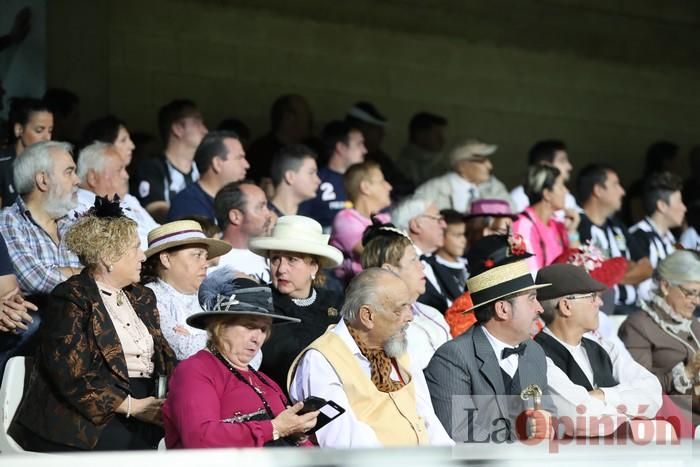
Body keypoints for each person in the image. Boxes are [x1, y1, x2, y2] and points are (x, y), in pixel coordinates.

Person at [9, 196, 177, 451]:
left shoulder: (142, 297)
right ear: (109, 256)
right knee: (131, 447)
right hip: (86, 414)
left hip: (147, 400)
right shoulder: (71, 297)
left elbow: (165, 356)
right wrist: (133, 406)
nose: (143, 256)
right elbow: (71, 376)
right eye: (135, 248)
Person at [288, 268, 453, 447]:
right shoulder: (321, 360)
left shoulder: (397, 347)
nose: (410, 317)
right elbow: (345, 442)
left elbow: (428, 419)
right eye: (399, 309)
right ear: (367, 316)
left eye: (409, 306)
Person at [162, 276, 318, 448]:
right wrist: (275, 428)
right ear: (220, 326)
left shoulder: (265, 381)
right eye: (250, 326)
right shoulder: (194, 370)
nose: (257, 338)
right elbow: (200, 438)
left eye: (264, 329)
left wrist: (297, 435)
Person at [424, 238, 553, 442]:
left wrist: (546, 426)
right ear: (502, 309)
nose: (540, 308)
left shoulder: (534, 351)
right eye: (531, 298)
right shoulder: (452, 359)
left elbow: (547, 415)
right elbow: (461, 434)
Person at [534, 264, 662, 436]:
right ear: (566, 306)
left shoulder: (604, 347)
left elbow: (653, 391)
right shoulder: (537, 356)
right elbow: (579, 416)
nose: (600, 302)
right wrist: (627, 406)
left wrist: (602, 395)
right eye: (592, 297)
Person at [249, 215, 344, 389]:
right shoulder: (260, 303)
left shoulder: (336, 302)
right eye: (276, 259)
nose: (281, 269)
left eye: (292, 260)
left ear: (313, 267)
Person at [619, 250, 700, 426]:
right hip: (673, 421)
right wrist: (687, 372)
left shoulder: (692, 323)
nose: (697, 301)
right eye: (690, 293)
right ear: (665, 286)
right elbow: (638, 388)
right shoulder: (638, 325)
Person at [360, 221, 451, 370]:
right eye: (413, 260)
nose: (422, 266)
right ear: (389, 271)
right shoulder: (377, 326)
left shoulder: (432, 313)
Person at [0, 141, 82, 298]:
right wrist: (90, 274)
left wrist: (62, 272)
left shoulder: (71, 221)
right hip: (41, 321)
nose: (77, 180)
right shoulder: (9, 221)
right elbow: (36, 279)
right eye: (69, 172)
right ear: (43, 180)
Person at [141, 220, 231, 361]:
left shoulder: (211, 299)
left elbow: (254, 355)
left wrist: (195, 337)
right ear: (166, 259)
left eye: (206, 257)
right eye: (197, 255)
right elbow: (182, 349)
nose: (205, 264)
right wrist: (224, 337)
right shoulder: (149, 298)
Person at [576, 164, 652, 311]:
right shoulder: (579, 225)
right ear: (598, 190)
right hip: (604, 312)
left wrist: (612, 274)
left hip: (633, 309)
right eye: (616, 185)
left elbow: (647, 268)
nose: (623, 192)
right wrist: (627, 266)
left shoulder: (617, 225)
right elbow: (592, 274)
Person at [131, 99, 208, 221]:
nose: (205, 130)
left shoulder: (204, 170)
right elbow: (156, 210)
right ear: (178, 128)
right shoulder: (152, 168)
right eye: (197, 122)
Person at [72, 142, 159, 249]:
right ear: (93, 178)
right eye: (119, 170)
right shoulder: (79, 207)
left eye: (125, 169)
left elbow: (158, 232)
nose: (126, 176)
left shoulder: (128, 199)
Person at [298, 120, 367, 233]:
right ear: (341, 148)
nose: (365, 150)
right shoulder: (315, 181)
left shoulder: (366, 182)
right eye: (359, 144)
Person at [330, 160, 392, 282]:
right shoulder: (345, 220)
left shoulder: (384, 219)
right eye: (381, 182)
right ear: (365, 188)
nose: (389, 186)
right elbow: (377, 254)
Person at [168, 130, 249, 222]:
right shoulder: (187, 205)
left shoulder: (243, 197)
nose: (247, 165)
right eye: (239, 158)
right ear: (217, 163)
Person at [628, 172, 686, 301]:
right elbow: (642, 287)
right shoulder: (638, 237)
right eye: (680, 202)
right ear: (662, 206)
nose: (684, 208)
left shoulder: (671, 240)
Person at [512, 164, 580, 272]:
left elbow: (578, 266)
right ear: (547, 194)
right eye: (562, 186)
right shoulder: (522, 225)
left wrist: (572, 231)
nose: (566, 191)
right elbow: (530, 274)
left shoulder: (557, 226)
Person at [415, 138, 512, 213]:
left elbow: (511, 214)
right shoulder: (432, 190)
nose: (490, 166)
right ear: (461, 166)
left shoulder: (495, 187)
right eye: (481, 161)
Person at [345, 101, 414, 200]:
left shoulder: (380, 157)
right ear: (363, 129)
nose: (382, 134)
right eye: (377, 129)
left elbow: (400, 184)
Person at [391, 197, 449, 313]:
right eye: (437, 219)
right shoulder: (398, 268)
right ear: (416, 225)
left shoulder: (435, 261)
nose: (444, 225)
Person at [210, 181, 273, 282]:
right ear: (235, 217)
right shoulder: (211, 262)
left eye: (266, 207)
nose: (269, 215)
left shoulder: (275, 252)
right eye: (260, 207)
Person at [247, 94, 313, 184]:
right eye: (305, 115)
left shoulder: (311, 148)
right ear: (288, 118)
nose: (309, 121)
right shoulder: (261, 151)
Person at [0, 97, 53, 207]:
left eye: (50, 130)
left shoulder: (49, 164)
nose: (47, 137)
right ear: (19, 129)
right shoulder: (2, 164)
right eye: (39, 130)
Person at [510, 140, 577, 214]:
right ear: (544, 166)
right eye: (562, 161)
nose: (569, 167)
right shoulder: (520, 197)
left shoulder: (568, 198)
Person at [424, 209, 468, 303]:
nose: (463, 240)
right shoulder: (431, 266)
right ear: (441, 234)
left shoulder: (469, 264)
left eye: (464, 234)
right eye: (457, 235)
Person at [268, 144, 320, 217]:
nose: (318, 180)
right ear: (290, 177)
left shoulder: (307, 221)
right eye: (311, 173)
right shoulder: (264, 220)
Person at [398, 112, 447, 185]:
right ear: (420, 135)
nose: (442, 139)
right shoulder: (405, 168)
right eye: (437, 134)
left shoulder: (440, 164)